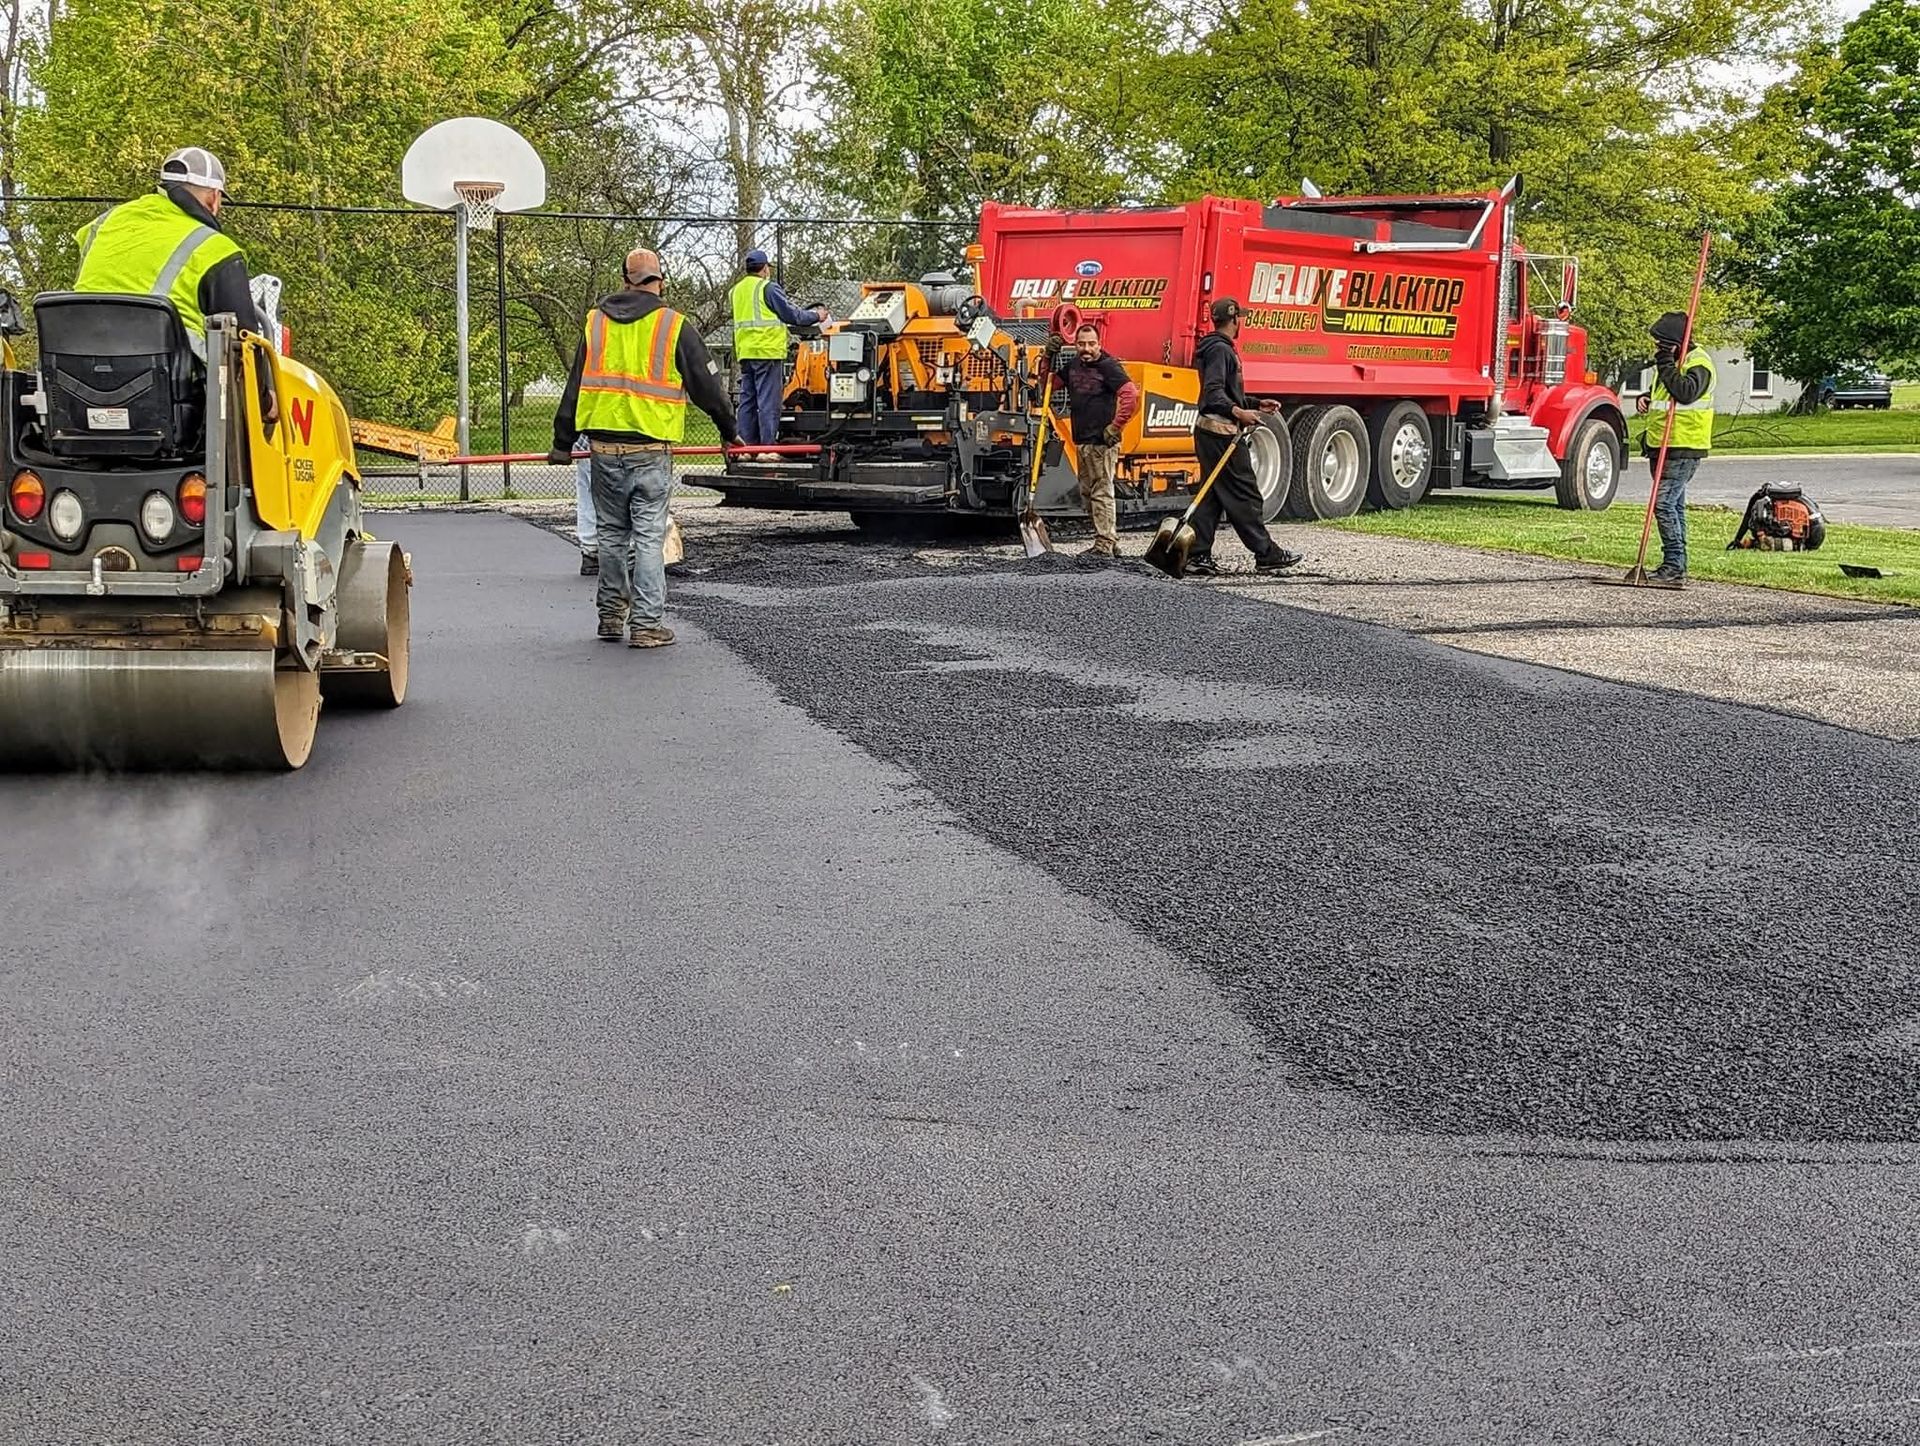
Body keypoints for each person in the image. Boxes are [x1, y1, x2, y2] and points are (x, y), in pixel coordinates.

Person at [548, 247, 738, 648]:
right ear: (660, 281)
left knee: (612, 535)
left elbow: (575, 386)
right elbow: (708, 388)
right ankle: (648, 625)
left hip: (603, 449)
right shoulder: (673, 326)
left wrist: (562, 443)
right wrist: (728, 429)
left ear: (625, 280)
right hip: (650, 451)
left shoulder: (595, 323)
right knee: (649, 538)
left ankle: (611, 617)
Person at [73, 148, 265, 363]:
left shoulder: (104, 223)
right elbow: (246, 343)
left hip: (75, 371)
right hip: (169, 387)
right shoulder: (216, 248)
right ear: (214, 197)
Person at [1187, 298, 1301, 576]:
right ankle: (1266, 554)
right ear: (1235, 319)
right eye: (1241, 319)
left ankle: (1197, 554)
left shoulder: (1215, 348)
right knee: (1245, 493)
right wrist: (1239, 412)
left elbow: (1225, 393)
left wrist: (1253, 403)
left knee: (1213, 493)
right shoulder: (1220, 351)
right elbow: (1213, 394)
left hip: (1210, 431)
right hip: (1220, 434)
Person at [1040, 323, 1139, 557]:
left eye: (1091, 344)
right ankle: (1109, 540)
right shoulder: (1073, 366)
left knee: (1101, 490)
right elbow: (1046, 387)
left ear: (1099, 343)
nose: (1087, 348)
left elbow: (1130, 394)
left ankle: (1104, 543)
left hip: (1102, 442)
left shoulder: (1108, 366)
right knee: (1087, 493)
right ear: (1075, 345)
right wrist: (1047, 357)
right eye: (1082, 344)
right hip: (1082, 439)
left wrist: (1116, 426)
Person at [1634, 310, 1714, 585]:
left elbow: (1686, 392)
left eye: (1661, 344)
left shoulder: (1698, 363)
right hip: (1662, 444)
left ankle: (1673, 565)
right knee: (1675, 506)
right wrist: (1646, 398)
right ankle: (1677, 564)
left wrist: (1665, 362)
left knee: (1664, 504)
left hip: (1684, 446)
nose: (1657, 349)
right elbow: (1668, 393)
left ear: (1675, 344)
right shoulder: (1672, 363)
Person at [730, 248, 828, 455]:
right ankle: (768, 449)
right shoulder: (767, 288)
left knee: (748, 401)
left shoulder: (736, 290)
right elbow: (792, 315)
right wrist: (816, 316)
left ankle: (746, 449)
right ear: (765, 268)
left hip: (746, 352)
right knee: (768, 401)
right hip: (767, 352)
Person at [573, 448, 597, 575]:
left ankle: (591, 554)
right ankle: (631, 555)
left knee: (588, 498)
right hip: (620, 447)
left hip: (587, 444)